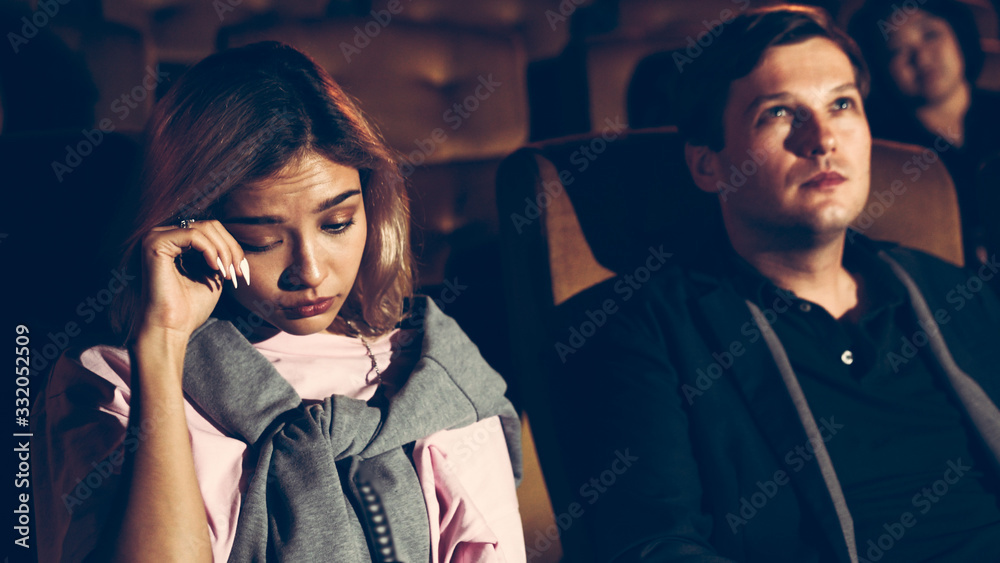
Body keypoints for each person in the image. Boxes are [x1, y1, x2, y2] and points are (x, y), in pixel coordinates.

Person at [32, 41, 524, 563]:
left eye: (337, 224)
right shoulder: (110, 381)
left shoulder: (435, 371)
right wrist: (163, 346)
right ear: (196, 227)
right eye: (261, 240)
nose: (310, 271)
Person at [553, 6, 1000, 562]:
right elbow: (653, 546)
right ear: (708, 166)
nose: (823, 139)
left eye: (841, 104)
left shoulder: (947, 290)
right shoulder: (651, 332)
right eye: (780, 113)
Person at [848, 0, 1000, 266]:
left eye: (930, 35)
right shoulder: (879, 152)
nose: (921, 56)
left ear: (958, 33)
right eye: (896, 50)